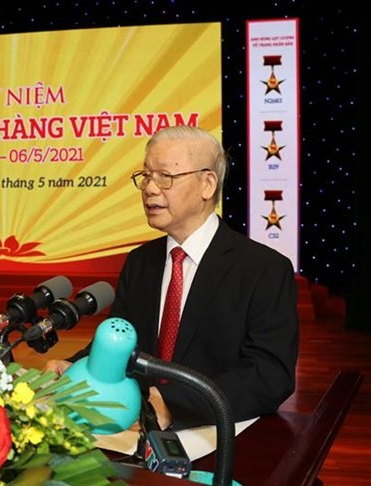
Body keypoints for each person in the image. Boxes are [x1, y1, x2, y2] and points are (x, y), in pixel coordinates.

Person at [44, 125, 299, 431]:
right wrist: (77, 367)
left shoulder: (264, 269)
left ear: (207, 184)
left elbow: (269, 374)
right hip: (135, 431)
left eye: (165, 177)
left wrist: (175, 405)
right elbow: (124, 344)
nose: (150, 189)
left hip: (219, 435)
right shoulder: (140, 262)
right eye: (146, 176)